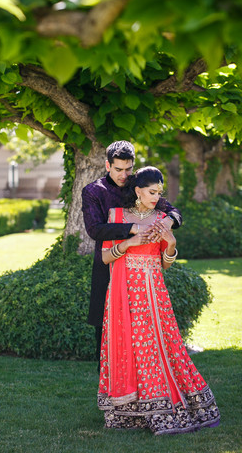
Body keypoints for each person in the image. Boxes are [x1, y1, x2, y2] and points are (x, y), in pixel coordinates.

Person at [97, 166, 220, 434]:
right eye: (151, 192)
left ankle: (163, 406)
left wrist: (172, 242)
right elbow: (106, 256)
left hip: (153, 294)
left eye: (159, 193)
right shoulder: (117, 216)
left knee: (158, 347)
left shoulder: (162, 219)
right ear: (138, 191)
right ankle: (129, 412)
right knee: (130, 347)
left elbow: (165, 264)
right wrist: (129, 242)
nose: (156, 197)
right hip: (124, 293)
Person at [82, 141, 182, 367]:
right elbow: (95, 229)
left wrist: (166, 221)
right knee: (106, 331)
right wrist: (133, 229)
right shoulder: (93, 192)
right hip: (108, 266)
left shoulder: (138, 184)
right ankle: (110, 390)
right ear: (108, 165)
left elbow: (174, 212)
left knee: (141, 334)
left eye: (128, 169)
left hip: (143, 274)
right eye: (118, 169)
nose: (124, 175)